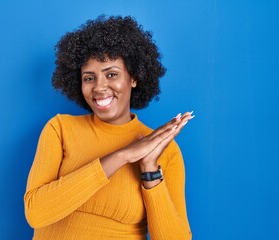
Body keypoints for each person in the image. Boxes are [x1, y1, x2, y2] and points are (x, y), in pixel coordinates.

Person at [24, 15, 193, 240]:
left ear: (133, 77)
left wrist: (149, 167)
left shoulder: (164, 150)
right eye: (89, 78)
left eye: (111, 74)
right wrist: (122, 156)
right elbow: (36, 214)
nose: (100, 87)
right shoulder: (60, 129)